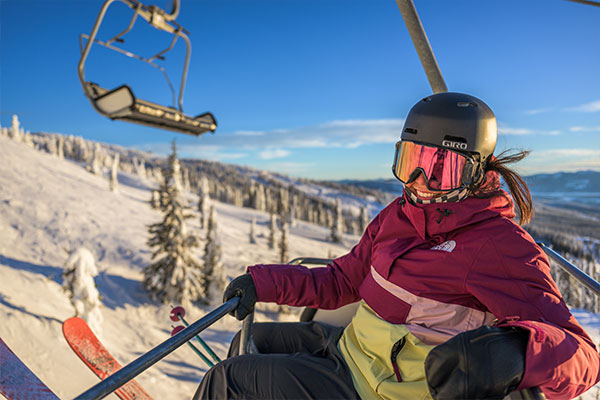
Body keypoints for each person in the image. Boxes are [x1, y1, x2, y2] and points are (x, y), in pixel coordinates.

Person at [194, 92, 600, 400]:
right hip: (352, 349)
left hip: (378, 389)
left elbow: (583, 355)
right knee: (248, 342)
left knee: (225, 380)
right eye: (411, 162)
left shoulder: (499, 245)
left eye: (441, 169)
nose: (419, 182)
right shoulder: (399, 214)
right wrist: (262, 282)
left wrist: (517, 352)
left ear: (477, 171)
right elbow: (343, 280)